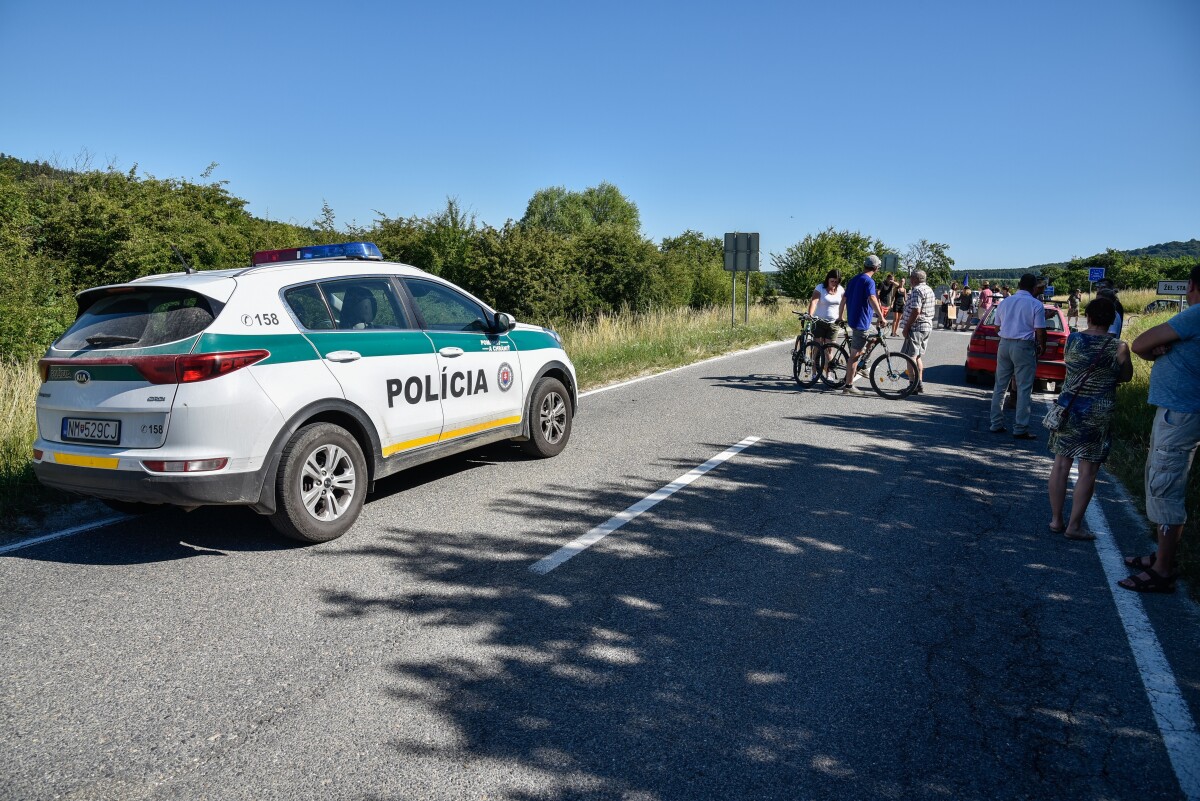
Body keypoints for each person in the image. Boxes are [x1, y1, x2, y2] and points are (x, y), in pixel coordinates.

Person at [1118, 265, 1200, 593]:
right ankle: (1161, 557)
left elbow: (1140, 344)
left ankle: (1163, 570)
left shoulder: (1195, 315)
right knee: (1162, 479)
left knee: (1165, 485)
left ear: (1192, 285)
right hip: (1182, 411)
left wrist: (1156, 349)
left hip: (1179, 414)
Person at [1046, 296, 1133, 540]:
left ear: (1089, 317)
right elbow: (1126, 376)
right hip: (1098, 413)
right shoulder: (1118, 346)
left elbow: (1071, 365)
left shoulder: (1073, 339)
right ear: (1112, 320)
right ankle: (1074, 526)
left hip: (1068, 408)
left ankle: (1056, 520)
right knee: (1088, 471)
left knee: (1060, 465)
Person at [989, 274, 1047, 439]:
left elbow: (996, 327)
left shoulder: (1005, 302)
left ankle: (995, 423)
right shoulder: (1036, 304)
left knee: (1000, 386)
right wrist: (1042, 345)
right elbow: (1040, 330)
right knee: (1024, 387)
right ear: (1034, 287)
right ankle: (1020, 427)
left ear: (1019, 285)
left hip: (1004, 344)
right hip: (1024, 345)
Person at [840, 254, 885, 395]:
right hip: (861, 323)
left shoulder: (854, 279)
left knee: (876, 336)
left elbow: (844, 299)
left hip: (857, 320)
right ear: (876, 268)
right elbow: (872, 298)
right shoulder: (869, 281)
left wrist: (840, 316)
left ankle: (863, 364)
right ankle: (848, 385)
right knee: (854, 355)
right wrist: (881, 317)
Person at [900, 269, 936, 394]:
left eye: (911, 277)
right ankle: (919, 384)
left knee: (910, 357)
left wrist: (906, 327)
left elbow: (916, 311)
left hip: (916, 327)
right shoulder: (929, 289)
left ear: (915, 279)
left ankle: (912, 385)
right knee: (918, 356)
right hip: (927, 326)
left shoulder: (917, 290)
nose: (910, 280)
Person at [807, 269, 844, 345]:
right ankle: (815, 353)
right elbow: (814, 302)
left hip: (834, 323)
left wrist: (841, 317)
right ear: (828, 279)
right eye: (832, 281)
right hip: (819, 322)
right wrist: (810, 314)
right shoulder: (820, 288)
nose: (834, 283)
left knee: (830, 347)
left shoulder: (840, 289)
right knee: (817, 346)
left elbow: (843, 304)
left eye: (836, 282)